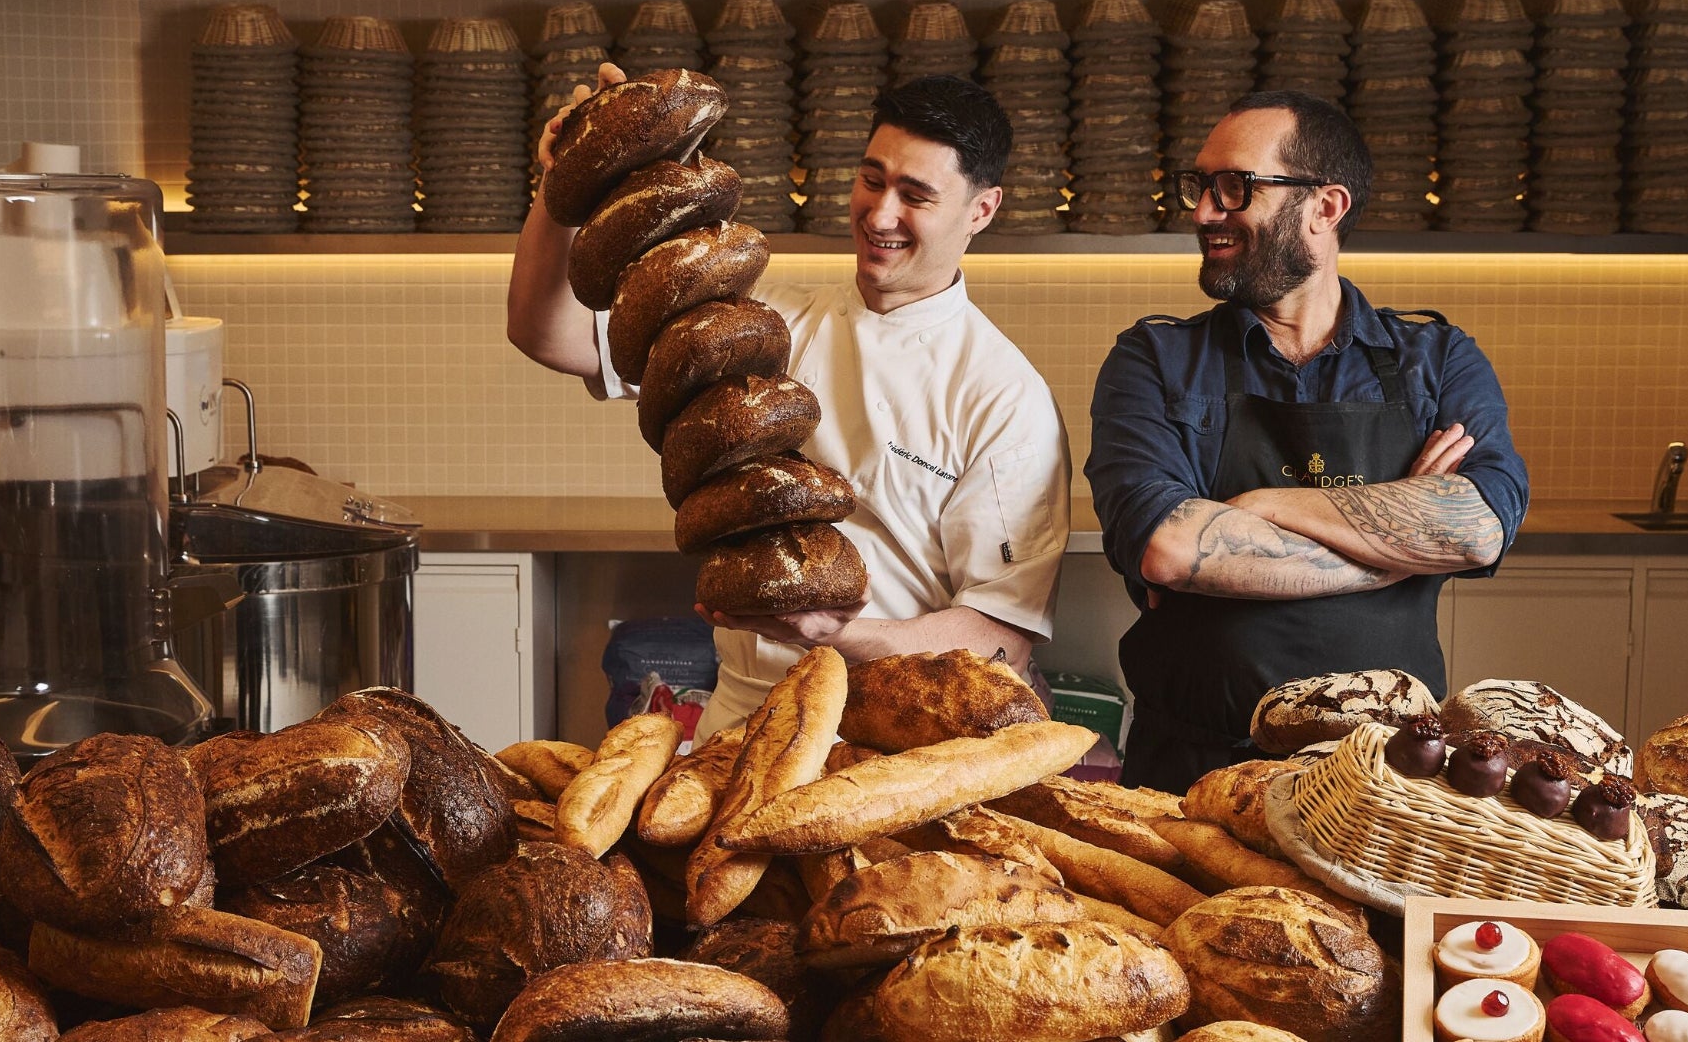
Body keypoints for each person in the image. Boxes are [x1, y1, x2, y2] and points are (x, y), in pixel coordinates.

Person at [510, 66, 1071, 741]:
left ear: (981, 210)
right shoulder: (766, 320)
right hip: (739, 723)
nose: (881, 213)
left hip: (886, 741)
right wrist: (560, 185)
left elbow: (999, 637)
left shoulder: (1002, 397)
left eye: (915, 195)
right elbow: (547, 332)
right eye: (872, 180)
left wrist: (838, 634)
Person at [1085, 90, 1530, 793]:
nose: (1204, 211)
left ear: (1325, 208)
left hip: (1387, 786)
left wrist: (1256, 505)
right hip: (1194, 776)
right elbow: (1168, 546)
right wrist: (1397, 552)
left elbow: (1477, 528)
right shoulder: (1154, 359)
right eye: (1199, 187)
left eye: (1235, 187)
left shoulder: (1435, 360)